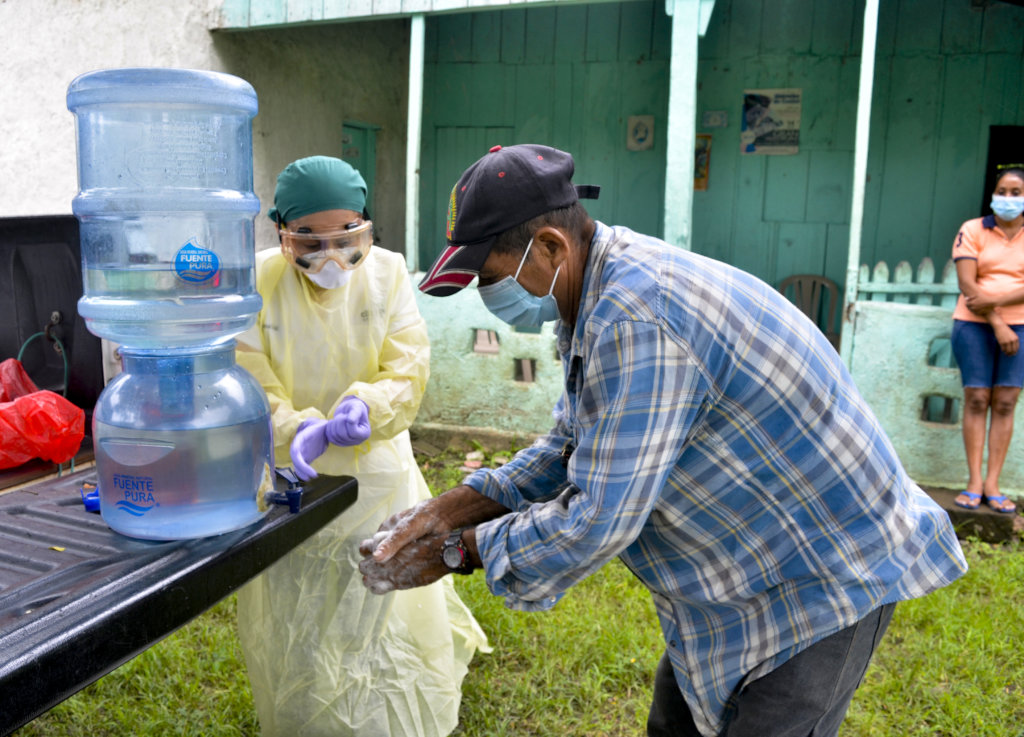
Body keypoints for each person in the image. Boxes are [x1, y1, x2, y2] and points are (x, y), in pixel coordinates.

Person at [357, 144, 968, 737]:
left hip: (824, 570)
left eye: (491, 277)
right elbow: (569, 448)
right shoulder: (595, 291)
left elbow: (599, 519)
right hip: (743, 567)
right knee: (674, 723)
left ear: (550, 246)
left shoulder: (636, 318)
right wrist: (443, 511)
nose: (490, 299)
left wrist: (456, 552)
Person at [234, 155, 489, 737]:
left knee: (380, 599)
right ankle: (309, 711)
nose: (331, 258)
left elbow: (408, 361)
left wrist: (368, 406)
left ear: (367, 226)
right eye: (309, 241)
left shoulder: (389, 272)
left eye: (348, 238)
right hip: (292, 474)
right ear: (281, 233)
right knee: (301, 599)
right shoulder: (259, 280)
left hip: (375, 470)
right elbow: (249, 374)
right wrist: (296, 426)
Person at [950, 165, 1024, 515]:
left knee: (1006, 402)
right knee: (978, 398)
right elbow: (969, 286)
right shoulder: (972, 230)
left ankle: (993, 483)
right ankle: (974, 482)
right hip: (974, 326)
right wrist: (997, 323)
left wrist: (993, 303)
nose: (1007, 199)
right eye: (1002, 191)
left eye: (1016, 193)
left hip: (1021, 327)